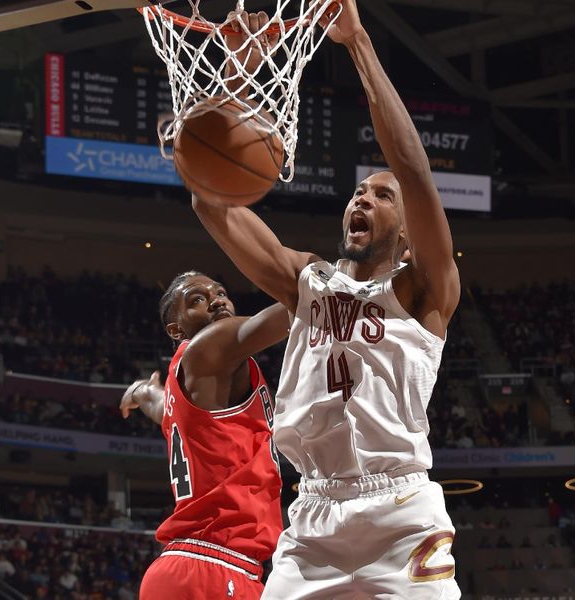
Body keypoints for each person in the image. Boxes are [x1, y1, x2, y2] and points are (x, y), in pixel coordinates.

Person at [191, 2, 462, 597]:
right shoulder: (305, 283)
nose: (362, 199)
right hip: (312, 521)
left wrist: (358, 42)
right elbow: (211, 201)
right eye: (358, 192)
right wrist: (237, 76)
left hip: (401, 514)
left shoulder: (424, 292)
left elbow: (413, 171)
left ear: (412, 236)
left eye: (381, 197)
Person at [120, 272, 288, 599]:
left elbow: (161, 407)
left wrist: (142, 391)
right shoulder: (211, 345)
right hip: (216, 566)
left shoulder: (188, 383)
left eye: (221, 292)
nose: (216, 300)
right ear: (176, 329)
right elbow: (300, 309)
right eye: (197, 299)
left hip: (184, 566)